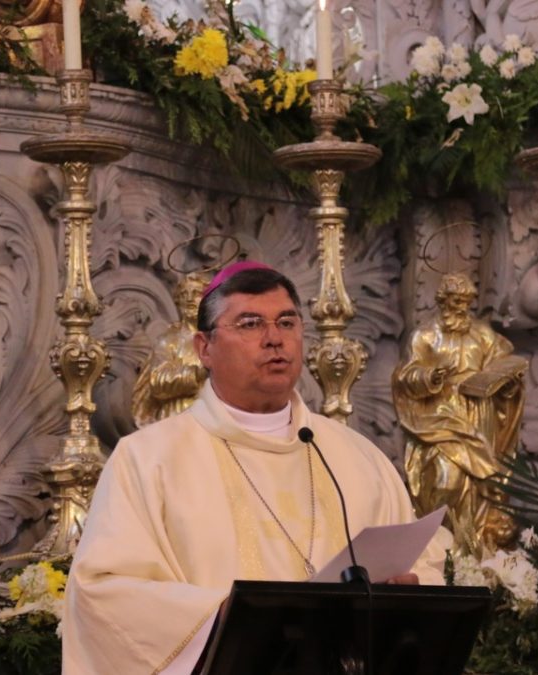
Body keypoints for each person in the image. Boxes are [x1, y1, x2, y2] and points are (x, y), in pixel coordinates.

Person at [63, 261, 449, 675]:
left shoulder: (357, 458)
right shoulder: (147, 459)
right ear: (204, 348)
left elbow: (420, 567)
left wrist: (404, 594)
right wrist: (229, 620)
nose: (273, 339)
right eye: (250, 324)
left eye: (287, 322)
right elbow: (102, 591)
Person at [393, 272, 527, 557]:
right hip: (439, 417)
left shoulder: (483, 334)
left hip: (479, 417)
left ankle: (475, 552)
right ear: (442, 301)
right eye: (456, 301)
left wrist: (507, 384)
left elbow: (502, 368)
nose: (461, 308)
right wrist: (429, 376)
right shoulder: (425, 336)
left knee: (481, 487)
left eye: (467, 302)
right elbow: (406, 376)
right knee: (446, 481)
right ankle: (441, 551)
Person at [131, 271, 210, 427]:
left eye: (196, 294)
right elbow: (158, 381)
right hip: (175, 417)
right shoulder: (169, 340)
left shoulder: (219, 338)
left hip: (212, 417)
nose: (189, 299)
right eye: (184, 294)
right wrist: (198, 372)